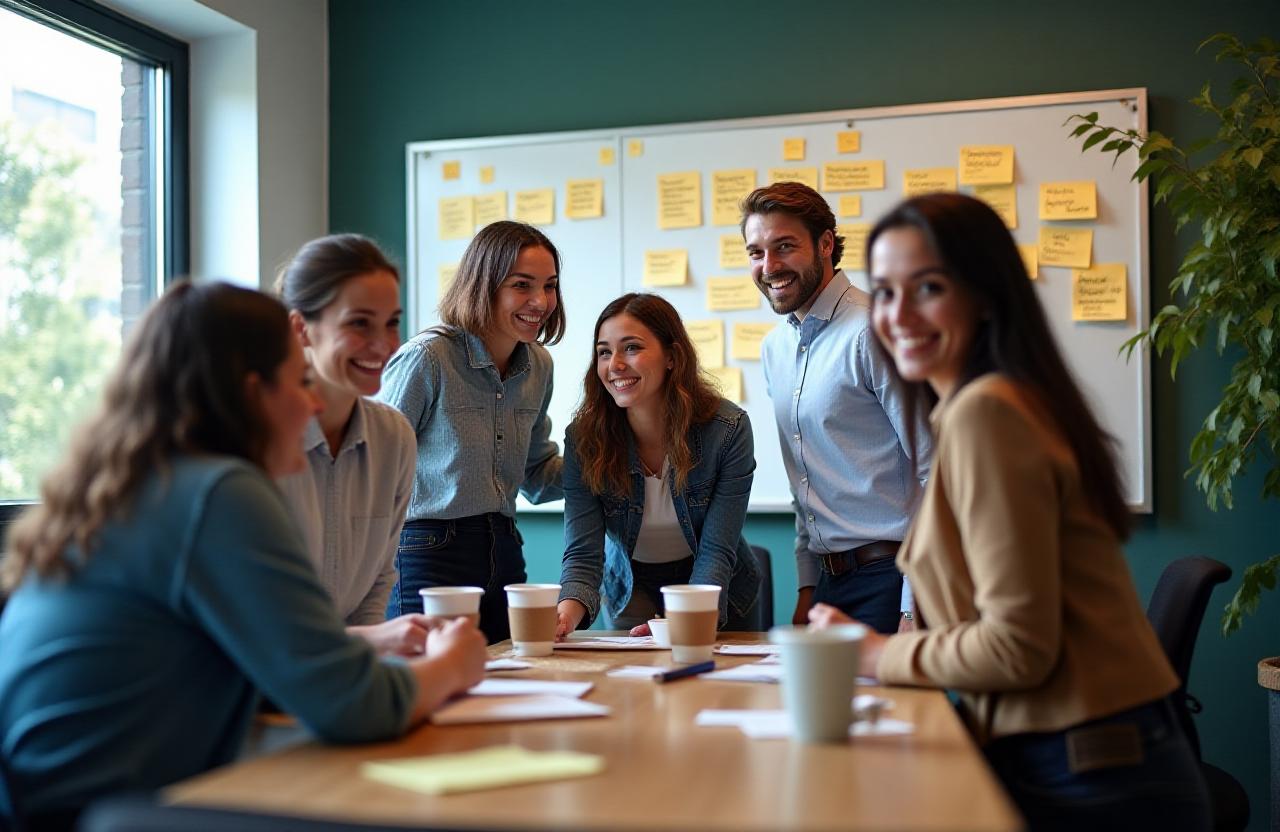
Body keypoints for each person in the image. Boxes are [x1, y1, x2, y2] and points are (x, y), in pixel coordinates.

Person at [0, 282, 487, 830]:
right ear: (253, 393)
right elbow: (353, 704)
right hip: (106, 814)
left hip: (73, 799)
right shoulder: (218, 490)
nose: (312, 403)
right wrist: (453, 665)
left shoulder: (143, 482)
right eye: (301, 380)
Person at [810, 192, 1210, 829]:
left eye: (929, 287)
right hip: (1084, 751)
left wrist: (876, 654)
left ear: (986, 294)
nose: (898, 314)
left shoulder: (987, 413)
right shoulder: (987, 403)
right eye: (884, 291)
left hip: (1091, 769)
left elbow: (1018, 646)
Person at [741, 182, 931, 635]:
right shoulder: (775, 349)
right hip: (828, 585)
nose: (769, 267)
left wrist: (913, 606)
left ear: (826, 243)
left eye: (784, 247)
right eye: (756, 252)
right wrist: (807, 588)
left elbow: (937, 471)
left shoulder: (875, 332)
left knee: (892, 710)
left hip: (897, 579)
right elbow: (804, 479)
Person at [378, 221, 564, 644]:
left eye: (550, 286)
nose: (540, 301)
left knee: (507, 681)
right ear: (484, 285)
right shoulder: (427, 358)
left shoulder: (539, 367)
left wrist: (610, 462)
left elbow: (536, 477)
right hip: (427, 550)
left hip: (504, 550)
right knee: (430, 689)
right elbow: (374, 466)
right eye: (522, 285)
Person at [555, 293, 760, 637]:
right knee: (634, 686)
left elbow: (716, 551)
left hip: (715, 586)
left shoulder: (726, 430)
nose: (615, 364)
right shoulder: (584, 438)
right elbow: (582, 556)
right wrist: (563, 618)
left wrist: (688, 619)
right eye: (604, 352)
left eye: (631, 348)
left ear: (671, 356)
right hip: (630, 587)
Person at [275, 234, 427, 656]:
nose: (383, 344)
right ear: (301, 329)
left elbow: (378, 582)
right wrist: (373, 644)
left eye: (392, 322)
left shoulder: (394, 437)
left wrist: (365, 660)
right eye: (359, 323)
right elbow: (261, 629)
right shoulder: (261, 439)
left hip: (335, 674)